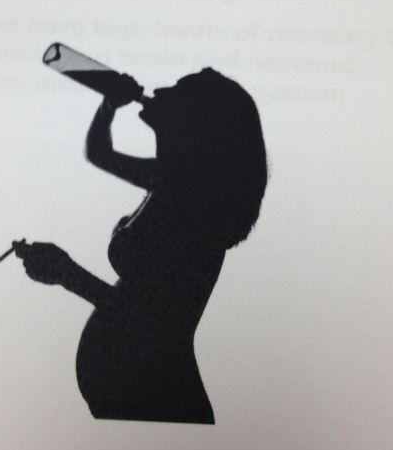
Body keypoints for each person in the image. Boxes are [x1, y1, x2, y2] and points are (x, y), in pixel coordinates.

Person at [16, 68, 267, 424]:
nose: (160, 90)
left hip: (155, 395)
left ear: (198, 122)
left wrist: (65, 272)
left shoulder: (196, 205)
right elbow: (100, 152)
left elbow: (150, 323)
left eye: (178, 91)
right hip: (144, 400)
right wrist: (108, 106)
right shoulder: (168, 178)